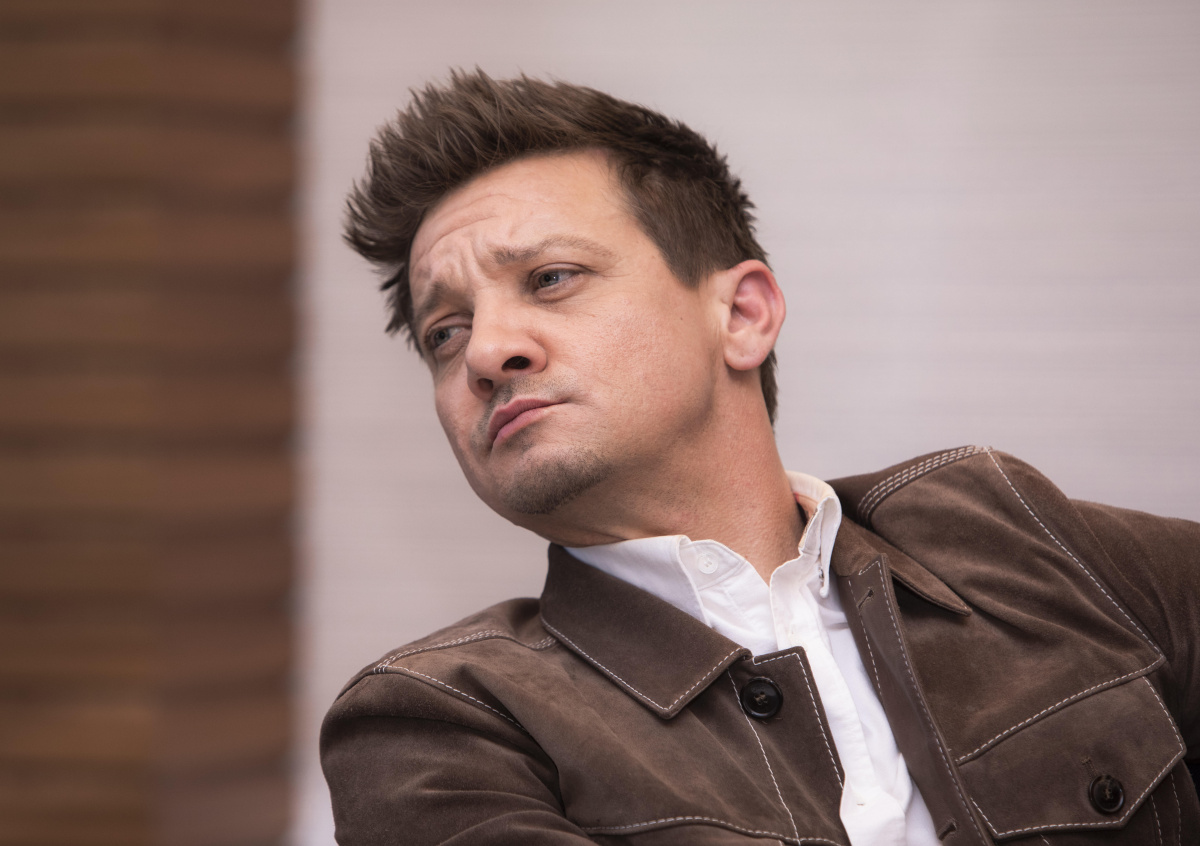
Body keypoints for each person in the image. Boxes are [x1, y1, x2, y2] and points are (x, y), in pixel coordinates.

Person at [320, 70, 1200, 845]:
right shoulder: (441, 722)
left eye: (551, 279)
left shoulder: (1010, 530)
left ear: (742, 316)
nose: (485, 353)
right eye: (446, 332)